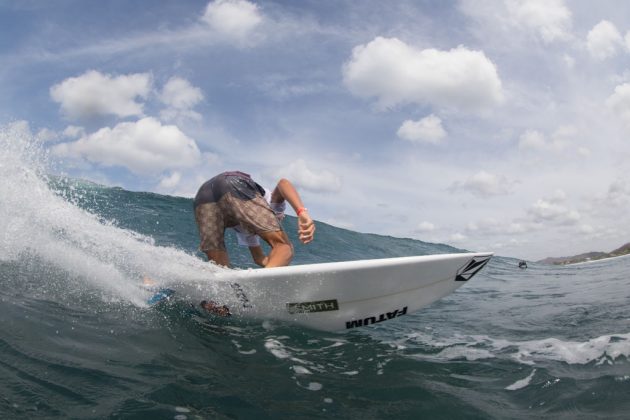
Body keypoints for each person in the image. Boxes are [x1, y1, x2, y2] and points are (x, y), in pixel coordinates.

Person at [193, 171, 315, 268]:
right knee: (284, 247)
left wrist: (278, 265)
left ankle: (215, 299)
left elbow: (258, 258)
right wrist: (301, 212)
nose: (280, 219)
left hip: (202, 196)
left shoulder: (247, 233)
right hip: (233, 182)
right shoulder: (276, 210)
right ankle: (265, 292)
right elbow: (283, 183)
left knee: (219, 267)